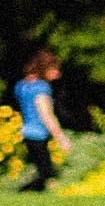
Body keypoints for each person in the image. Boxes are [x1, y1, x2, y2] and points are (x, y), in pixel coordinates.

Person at [13, 50, 67, 192]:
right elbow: (46, 115)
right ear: (45, 68)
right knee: (45, 172)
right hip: (38, 134)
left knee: (42, 170)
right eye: (55, 69)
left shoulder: (22, 86)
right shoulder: (41, 88)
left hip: (25, 132)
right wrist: (61, 137)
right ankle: (22, 192)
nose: (58, 74)